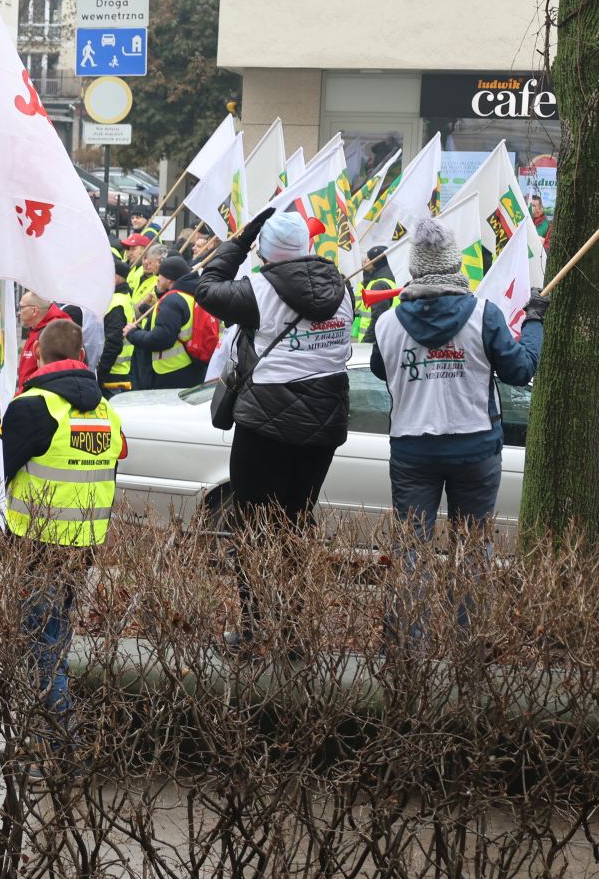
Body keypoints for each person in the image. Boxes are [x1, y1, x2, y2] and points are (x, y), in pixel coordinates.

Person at [195, 208, 355, 643]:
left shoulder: (256, 291)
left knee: (253, 528)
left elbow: (205, 288)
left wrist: (240, 240)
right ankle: (293, 629)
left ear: (265, 253)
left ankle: (252, 627)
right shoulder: (344, 289)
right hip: (322, 425)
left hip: (264, 423)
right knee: (297, 524)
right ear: (308, 246)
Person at [370, 213, 544, 556]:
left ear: (414, 268)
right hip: (475, 446)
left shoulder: (388, 323)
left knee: (411, 553)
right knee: (473, 552)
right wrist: (534, 320)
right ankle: (467, 612)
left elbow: (380, 370)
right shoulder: (484, 314)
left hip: (412, 448)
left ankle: (411, 612)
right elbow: (521, 370)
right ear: (455, 263)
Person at [0, 318, 125, 745]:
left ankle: (59, 736)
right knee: (57, 631)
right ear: (84, 357)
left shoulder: (32, 406)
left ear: (37, 355)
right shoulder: (105, 408)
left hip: (36, 544)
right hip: (85, 544)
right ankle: (51, 723)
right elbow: (117, 454)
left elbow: (7, 466)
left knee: (41, 639)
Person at [124, 256, 209, 390]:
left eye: (161, 275)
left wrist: (132, 333)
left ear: (169, 279)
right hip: (190, 368)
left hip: (171, 372)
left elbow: (161, 339)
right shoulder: (189, 295)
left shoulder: (172, 300)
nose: (157, 278)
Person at [16, 291, 75, 389]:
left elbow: (53, 375)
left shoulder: (53, 333)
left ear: (34, 311)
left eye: (21, 308)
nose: (19, 312)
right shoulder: (38, 329)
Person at [100, 260, 136, 393]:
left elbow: (113, 344)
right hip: (119, 368)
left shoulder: (117, 304)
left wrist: (101, 372)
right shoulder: (123, 297)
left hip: (112, 371)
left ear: (114, 278)